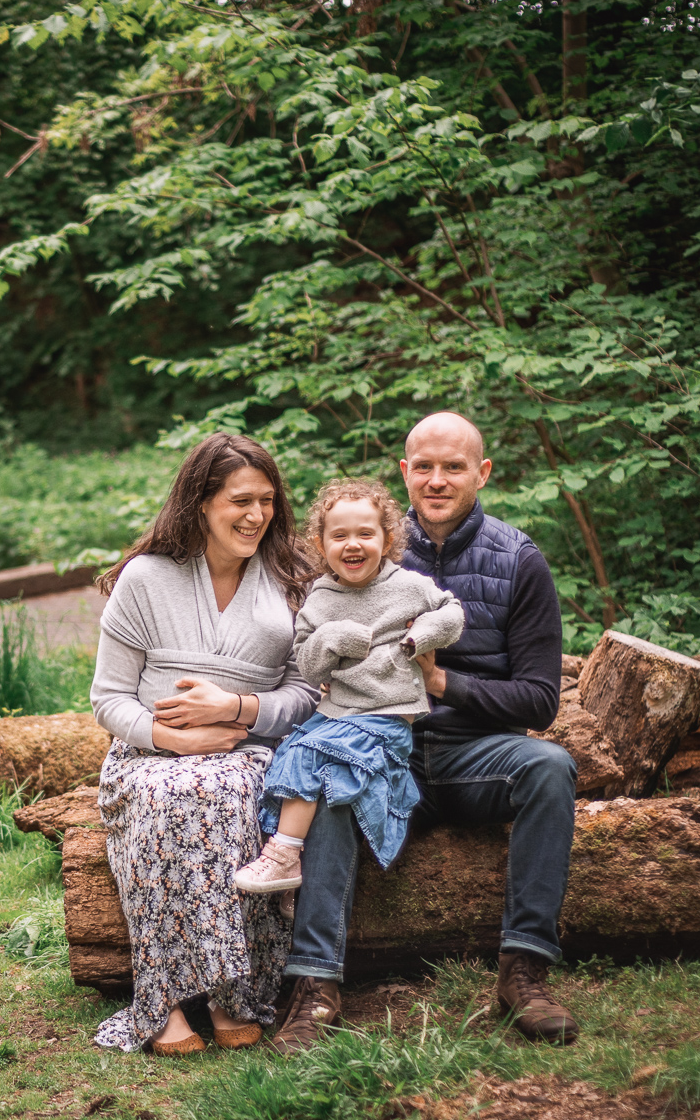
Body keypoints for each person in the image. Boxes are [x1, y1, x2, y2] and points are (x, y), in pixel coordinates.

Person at [87, 433, 321, 1055]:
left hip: (248, 748)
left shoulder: (291, 579)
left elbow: (306, 694)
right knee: (172, 796)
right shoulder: (146, 578)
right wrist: (170, 739)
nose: (257, 515)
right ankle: (162, 999)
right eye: (240, 501)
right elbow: (108, 700)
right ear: (199, 504)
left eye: (267, 501)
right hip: (146, 754)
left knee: (228, 790)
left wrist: (238, 710)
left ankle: (230, 994)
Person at [230, 479, 466, 1053]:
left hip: (389, 723)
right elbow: (308, 665)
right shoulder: (318, 600)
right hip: (337, 716)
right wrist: (332, 637)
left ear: (388, 538)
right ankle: (291, 877)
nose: (353, 543)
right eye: (340, 535)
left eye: (366, 533)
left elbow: (453, 614)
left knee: (311, 753)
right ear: (322, 541)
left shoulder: (408, 585)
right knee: (294, 754)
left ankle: (284, 853)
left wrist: (418, 640)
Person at [397, 411, 581, 1043]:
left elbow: (538, 701)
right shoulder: (369, 549)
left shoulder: (519, 560)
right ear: (405, 473)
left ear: (483, 474)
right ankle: (315, 982)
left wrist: (444, 683)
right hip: (391, 752)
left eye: (454, 467)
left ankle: (523, 971)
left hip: (479, 755)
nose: (438, 480)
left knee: (551, 767)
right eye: (425, 467)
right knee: (320, 788)